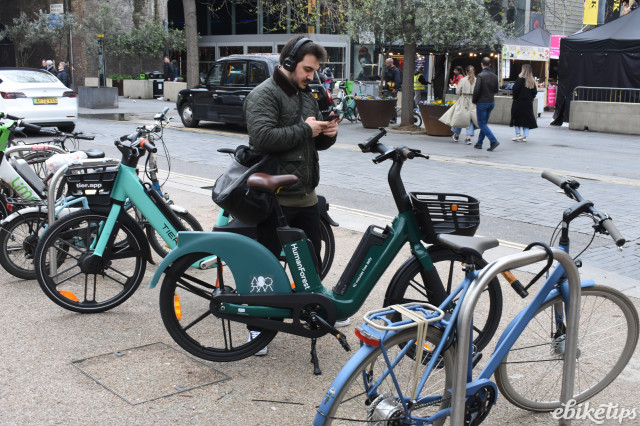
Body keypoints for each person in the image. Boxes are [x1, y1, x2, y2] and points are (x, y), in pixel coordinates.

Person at [243, 36, 342, 353]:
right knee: (267, 264)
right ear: (288, 63)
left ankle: (316, 309)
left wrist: (328, 134)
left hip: (306, 195)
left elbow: (312, 142)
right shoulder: (264, 95)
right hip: (275, 200)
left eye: (314, 71)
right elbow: (261, 138)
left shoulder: (307, 95)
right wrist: (307, 130)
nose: (311, 76)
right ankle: (257, 327)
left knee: (311, 260)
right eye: (307, 69)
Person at [472, 57, 500, 151]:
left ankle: (493, 141)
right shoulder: (495, 76)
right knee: (484, 124)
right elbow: (496, 90)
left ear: (481, 64)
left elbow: (476, 90)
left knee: (482, 124)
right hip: (491, 101)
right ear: (490, 64)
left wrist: (474, 100)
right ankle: (479, 143)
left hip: (482, 102)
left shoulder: (480, 76)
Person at [510, 64, 538, 142]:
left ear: (523, 70)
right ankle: (525, 136)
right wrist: (531, 99)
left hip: (519, 101)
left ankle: (518, 134)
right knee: (526, 119)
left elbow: (515, 89)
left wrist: (515, 97)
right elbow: (534, 92)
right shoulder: (532, 80)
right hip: (528, 103)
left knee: (516, 117)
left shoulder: (520, 79)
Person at [449, 65, 478, 144]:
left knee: (460, 117)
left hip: (463, 99)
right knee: (470, 119)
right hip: (473, 101)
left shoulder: (462, 80)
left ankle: (457, 135)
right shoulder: (476, 80)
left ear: (466, 72)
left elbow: (458, 92)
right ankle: (468, 138)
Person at [384, 57, 402, 123]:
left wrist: (396, 88)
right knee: (387, 103)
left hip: (392, 90)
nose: (385, 64)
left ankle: (393, 118)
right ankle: (388, 117)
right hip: (387, 89)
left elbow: (398, 80)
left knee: (392, 104)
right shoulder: (387, 69)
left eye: (387, 63)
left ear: (391, 63)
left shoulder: (395, 70)